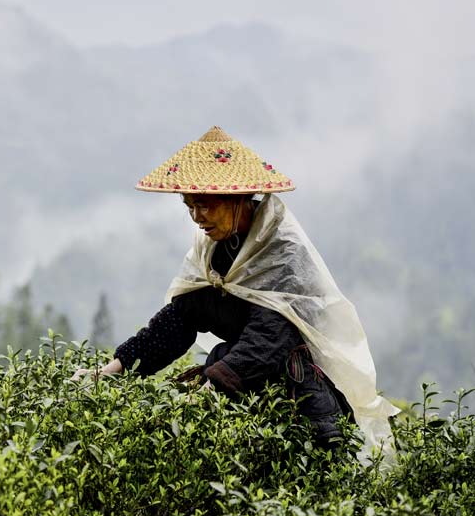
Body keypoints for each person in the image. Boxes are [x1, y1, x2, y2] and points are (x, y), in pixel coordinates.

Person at [72, 127, 398, 461]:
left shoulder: (284, 254)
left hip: (299, 406)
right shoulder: (214, 252)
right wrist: (111, 371)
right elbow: (180, 318)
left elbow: (269, 337)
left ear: (237, 199)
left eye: (204, 206)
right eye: (189, 206)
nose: (197, 218)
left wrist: (208, 391)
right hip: (242, 397)